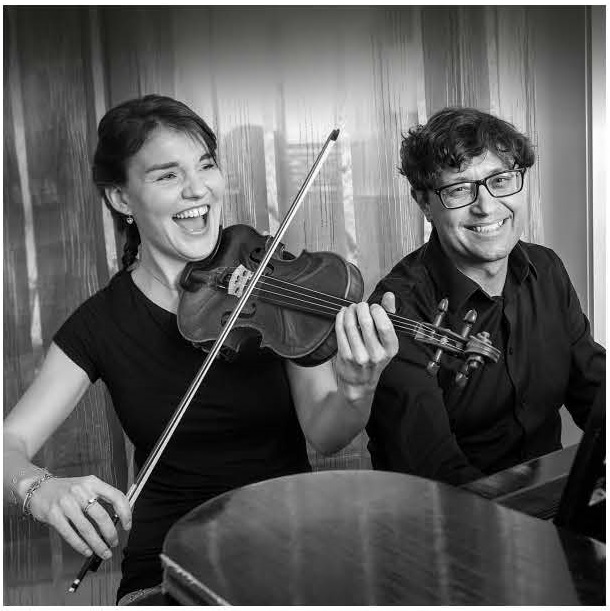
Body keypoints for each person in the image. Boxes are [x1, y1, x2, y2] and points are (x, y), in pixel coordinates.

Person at [3, 94, 399, 604]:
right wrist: (39, 489)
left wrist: (358, 388)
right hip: (169, 564)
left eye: (206, 165)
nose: (198, 189)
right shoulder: (100, 324)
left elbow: (326, 434)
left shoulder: (265, 275)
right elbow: (7, 443)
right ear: (121, 199)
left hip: (290, 544)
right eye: (167, 175)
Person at [366, 107, 605, 487]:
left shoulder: (547, 269)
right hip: (452, 516)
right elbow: (435, 473)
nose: (487, 206)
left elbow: (595, 391)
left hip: (550, 502)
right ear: (424, 203)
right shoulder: (398, 310)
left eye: (501, 180)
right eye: (460, 188)